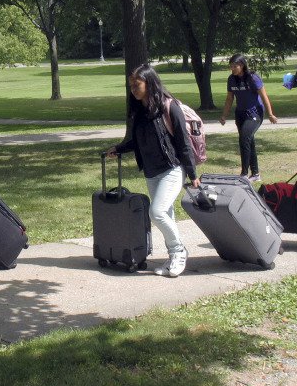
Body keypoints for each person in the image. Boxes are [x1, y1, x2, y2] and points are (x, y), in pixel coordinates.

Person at [106, 64, 200, 278]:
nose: (133, 89)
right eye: (131, 85)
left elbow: (183, 143)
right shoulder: (140, 111)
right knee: (166, 214)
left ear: (149, 83)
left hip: (172, 169)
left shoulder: (170, 106)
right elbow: (136, 141)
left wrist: (192, 174)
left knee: (156, 212)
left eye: (136, 84)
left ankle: (179, 252)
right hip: (151, 171)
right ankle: (172, 258)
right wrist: (119, 149)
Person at [219, 54, 279, 182]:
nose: (233, 69)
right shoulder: (231, 79)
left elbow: (264, 96)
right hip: (240, 114)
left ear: (242, 65)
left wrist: (270, 114)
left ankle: (244, 174)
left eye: (235, 66)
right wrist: (224, 115)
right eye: (231, 66)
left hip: (255, 113)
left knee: (244, 138)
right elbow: (230, 98)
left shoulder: (253, 77)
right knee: (248, 141)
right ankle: (255, 174)